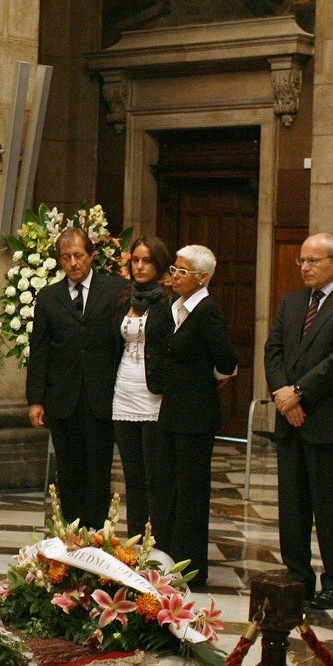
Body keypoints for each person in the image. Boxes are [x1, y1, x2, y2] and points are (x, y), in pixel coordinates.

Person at [264, 233, 333, 611]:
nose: (305, 268)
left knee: (330, 507)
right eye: (301, 261)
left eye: (313, 261)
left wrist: (299, 392)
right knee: (292, 506)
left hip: (329, 422)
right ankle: (297, 574)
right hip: (290, 418)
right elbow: (273, 348)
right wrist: (283, 393)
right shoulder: (293, 301)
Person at [27, 228, 123, 530]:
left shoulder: (115, 290)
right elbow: (39, 350)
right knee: (68, 469)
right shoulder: (48, 297)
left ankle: (96, 534)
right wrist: (36, 400)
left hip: (101, 394)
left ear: (91, 255)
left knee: (98, 466)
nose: (73, 263)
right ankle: (70, 532)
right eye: (66, 257)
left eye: (78, 256)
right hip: (62, 397)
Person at [155, 244, 238, 587]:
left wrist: (208, 382)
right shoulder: (175, 307)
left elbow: (228, 361)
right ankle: (168, 557)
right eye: (173, 269)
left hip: (196, 416)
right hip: (172, 412)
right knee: (169, 487)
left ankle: (192, 567)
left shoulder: (206, 311)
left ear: (202, 278)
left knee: (191, 491)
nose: (174, 276)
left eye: (182, 271)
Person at [111, 235, 175, 540]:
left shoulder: (169, 299)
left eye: (146, 260)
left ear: (159, 263)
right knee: (132, 475)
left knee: (155, 475)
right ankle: (135, 540)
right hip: (124, 390)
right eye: (135, 260)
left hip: (154, 394)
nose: (139, 266)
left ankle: (158, 540)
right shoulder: (124, 298)